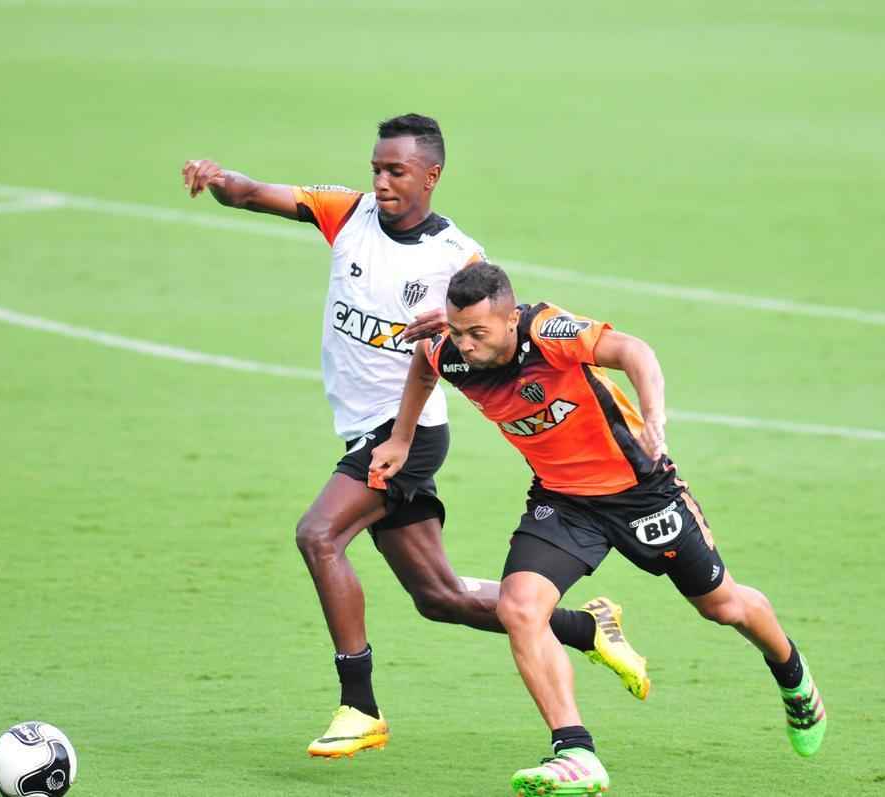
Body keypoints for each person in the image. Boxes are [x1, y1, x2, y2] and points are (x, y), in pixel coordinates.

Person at [180, 115, 648, 760]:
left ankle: (359, 706)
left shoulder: (458, 257)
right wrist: (220, 178)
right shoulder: (346, 214)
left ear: (431, 176)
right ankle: (586, 626)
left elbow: (505, 330)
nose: (381, 181)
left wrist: (452, 328)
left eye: (395, 171)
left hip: (406, 434)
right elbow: (256, 193)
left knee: (319, 535)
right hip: (364, 429)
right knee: (439, 597)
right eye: (376, 167)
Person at [371, 263, 827, 793]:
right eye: (457, 330)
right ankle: (575, 753)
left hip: (642, 492)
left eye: (478, 333)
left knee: (722, 606)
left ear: (510, 320)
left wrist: (654, 415)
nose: (466, 346)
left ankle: (792, 675)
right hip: (563, 503)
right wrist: (402, 439)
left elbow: (636, 352)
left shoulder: (548, 332)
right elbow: (424, 368)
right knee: (519, 607)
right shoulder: (447, 350)